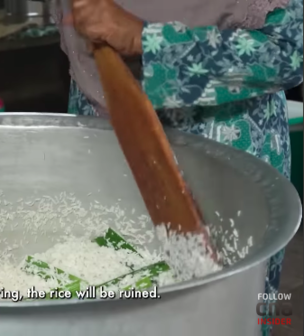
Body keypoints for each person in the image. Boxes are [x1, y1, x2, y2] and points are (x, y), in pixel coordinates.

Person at [54, 0, 303, 334]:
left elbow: (290, 53)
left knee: (217, 317)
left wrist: (147, 39)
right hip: (100, 128)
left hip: (221, 155)